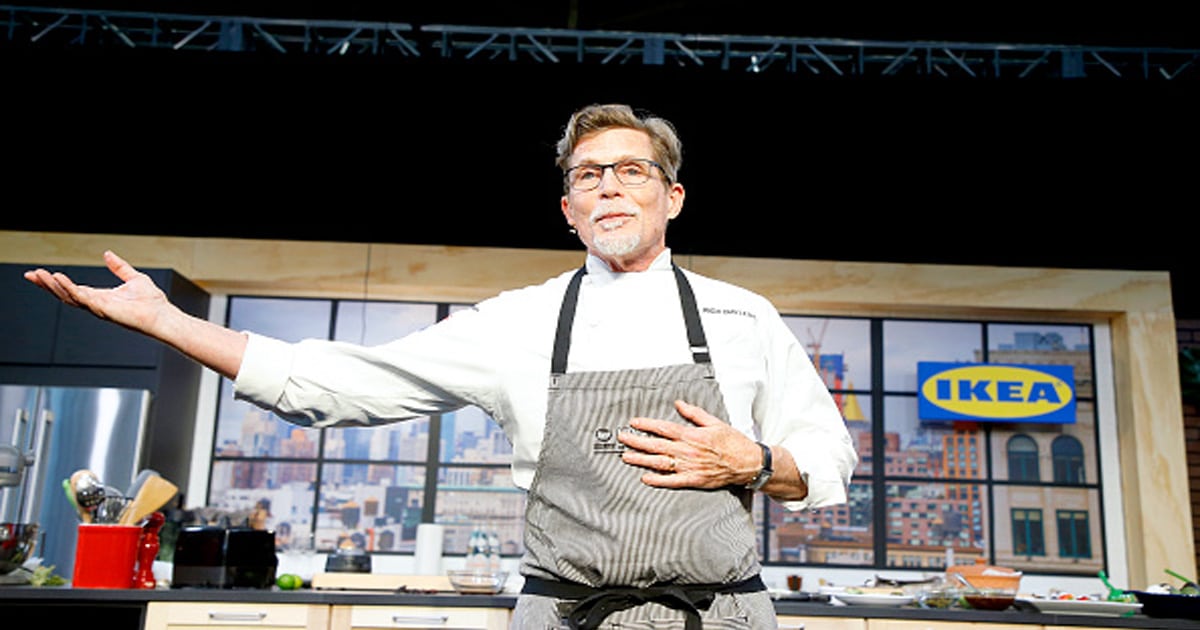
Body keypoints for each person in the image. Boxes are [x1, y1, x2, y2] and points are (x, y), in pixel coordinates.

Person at [25, 103, 857, 629]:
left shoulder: (744, 317)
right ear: (569, 211)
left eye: (632, 170)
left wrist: (758, 461)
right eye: (588, 176)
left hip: (727, 616)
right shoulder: (518, 322)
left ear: (671, 196)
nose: (610, 187)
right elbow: (332, 387)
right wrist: (170, 322)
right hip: (568, 616)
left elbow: (827, 454)